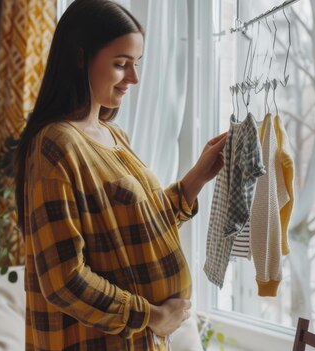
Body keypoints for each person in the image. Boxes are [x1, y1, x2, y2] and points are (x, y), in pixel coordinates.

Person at [13, 1, 227, 350]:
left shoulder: (114, 136)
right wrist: (151, 316)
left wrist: (197, 178)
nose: (134, 78)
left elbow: (138, 225)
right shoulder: (56, 146)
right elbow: (63, 280)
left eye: (136, 64)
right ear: (80, 58)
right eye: (120, 64)